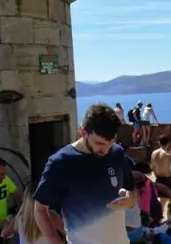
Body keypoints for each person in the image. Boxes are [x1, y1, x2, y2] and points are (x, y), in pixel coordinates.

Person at [33, 103, 136, 244]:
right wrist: (56, 241)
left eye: (110, 143)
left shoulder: (117, 152)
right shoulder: (61, 163)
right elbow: (40, 210)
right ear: (83, 133)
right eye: (99, 143)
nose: (105, 150)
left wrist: (130, 200)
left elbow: (132, 190)